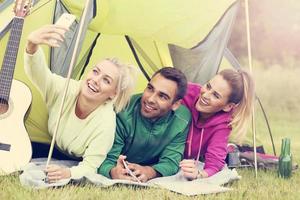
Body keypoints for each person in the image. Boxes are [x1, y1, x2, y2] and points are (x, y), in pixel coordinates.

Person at [24, 24, 136, 182]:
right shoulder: (66, 89)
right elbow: (40, 74)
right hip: (47, 146)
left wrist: (68, 173)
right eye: (95, 71)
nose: (95, 80)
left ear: (113, 94)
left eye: (106, 80)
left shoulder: (106, 123)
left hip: (76, 161)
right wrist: (32, 45)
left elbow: (90, 166)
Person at [98, 67, 191, 182]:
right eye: (150, 88)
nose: (150, 99)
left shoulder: (182, 119)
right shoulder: (123, 109)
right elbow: (103, 157)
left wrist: (150, 171)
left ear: (175, 104)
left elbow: (171, 161)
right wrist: (112, 172)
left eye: (162, 96)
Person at [179, 69, 255, 179]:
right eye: (208, 86)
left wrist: (199, 174)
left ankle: (233, 150)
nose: (205, 95)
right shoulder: (184, 92)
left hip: (187, 159)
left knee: (224, 156)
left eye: (216, 95)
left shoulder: (223, 124)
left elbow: (214, 164)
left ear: (228, 106)